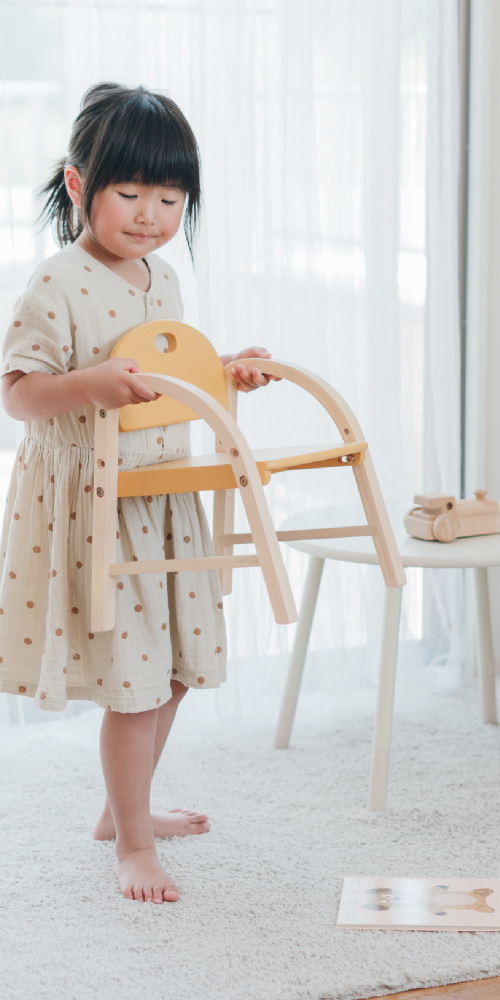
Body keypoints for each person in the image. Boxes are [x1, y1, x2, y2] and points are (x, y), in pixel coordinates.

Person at [1, 83, 275, 902]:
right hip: (97, 505)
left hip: (164, 498)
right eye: (130, 194)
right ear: (79, 185)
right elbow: (17, 390)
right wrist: (88, 383)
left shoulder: (164, 279)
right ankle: (129, 843)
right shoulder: (58, 282)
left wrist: (227, 373)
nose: (151, 214)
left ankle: (124, 811)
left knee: (180, 664)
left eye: (170, 197)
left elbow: (170, 375)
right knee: (135, 679)